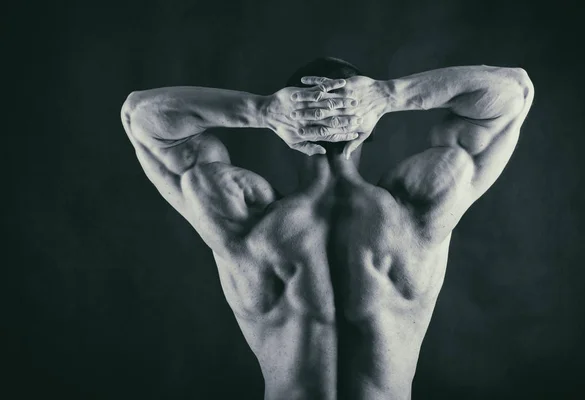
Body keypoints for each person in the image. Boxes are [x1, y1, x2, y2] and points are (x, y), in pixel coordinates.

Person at [120, 57, 534, 400]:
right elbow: (514, 92)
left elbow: (141, 116)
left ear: (287, 131)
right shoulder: (418, 210)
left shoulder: (243, 222)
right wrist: (390, 96)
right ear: (368, 130)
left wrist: (261, 111)